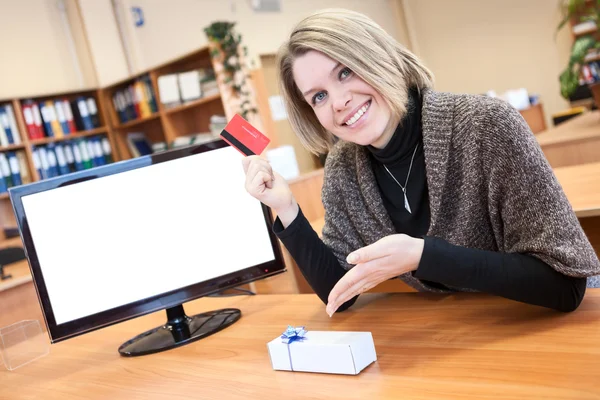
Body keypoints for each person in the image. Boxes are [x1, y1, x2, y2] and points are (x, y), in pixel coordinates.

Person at [242, 8, 600, 315]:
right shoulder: (342, 168)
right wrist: (287, 209)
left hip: (537, 323)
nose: (338, 102)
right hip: (460, 338)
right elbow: (341, 291)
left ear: (377, 56)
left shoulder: (486, 126)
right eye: (318, 96)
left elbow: (565, 285)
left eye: (345, 72)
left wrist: (424, 256)